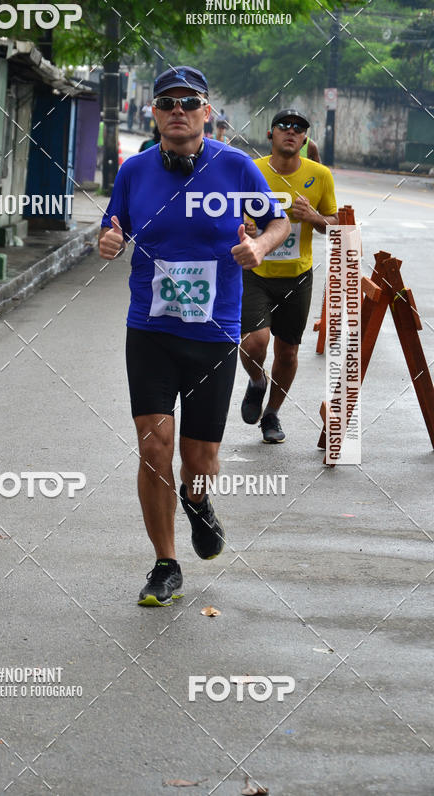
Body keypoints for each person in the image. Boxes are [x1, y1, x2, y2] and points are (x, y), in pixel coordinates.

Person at [98, 66, 290, 607]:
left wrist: (262, 247)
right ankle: (165, 563)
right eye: (166, 102)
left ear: (207, 112)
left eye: (189, 102)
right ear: (154, 113)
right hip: (151, 331)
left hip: (214, 333)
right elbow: (114, 229)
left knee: (199, 457)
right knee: (154, 445)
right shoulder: (134, 172)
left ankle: (198, 502)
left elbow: (275, 222)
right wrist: (108, 242)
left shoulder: (235, 168)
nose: (177, 110)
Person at [239, 108, 338, 444]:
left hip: (297, 276)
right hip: (256, 272)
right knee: (255, 342)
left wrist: (313, 216)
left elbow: (338, 225)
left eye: (299, 128)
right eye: (283, 126)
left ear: (305, 138)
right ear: (271, 135)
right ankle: (256, 382)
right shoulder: (252, 171)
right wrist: (246, 227)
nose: (291, 131)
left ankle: (272, 414)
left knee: (288, 353)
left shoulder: (320, 175)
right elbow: (227, 214)